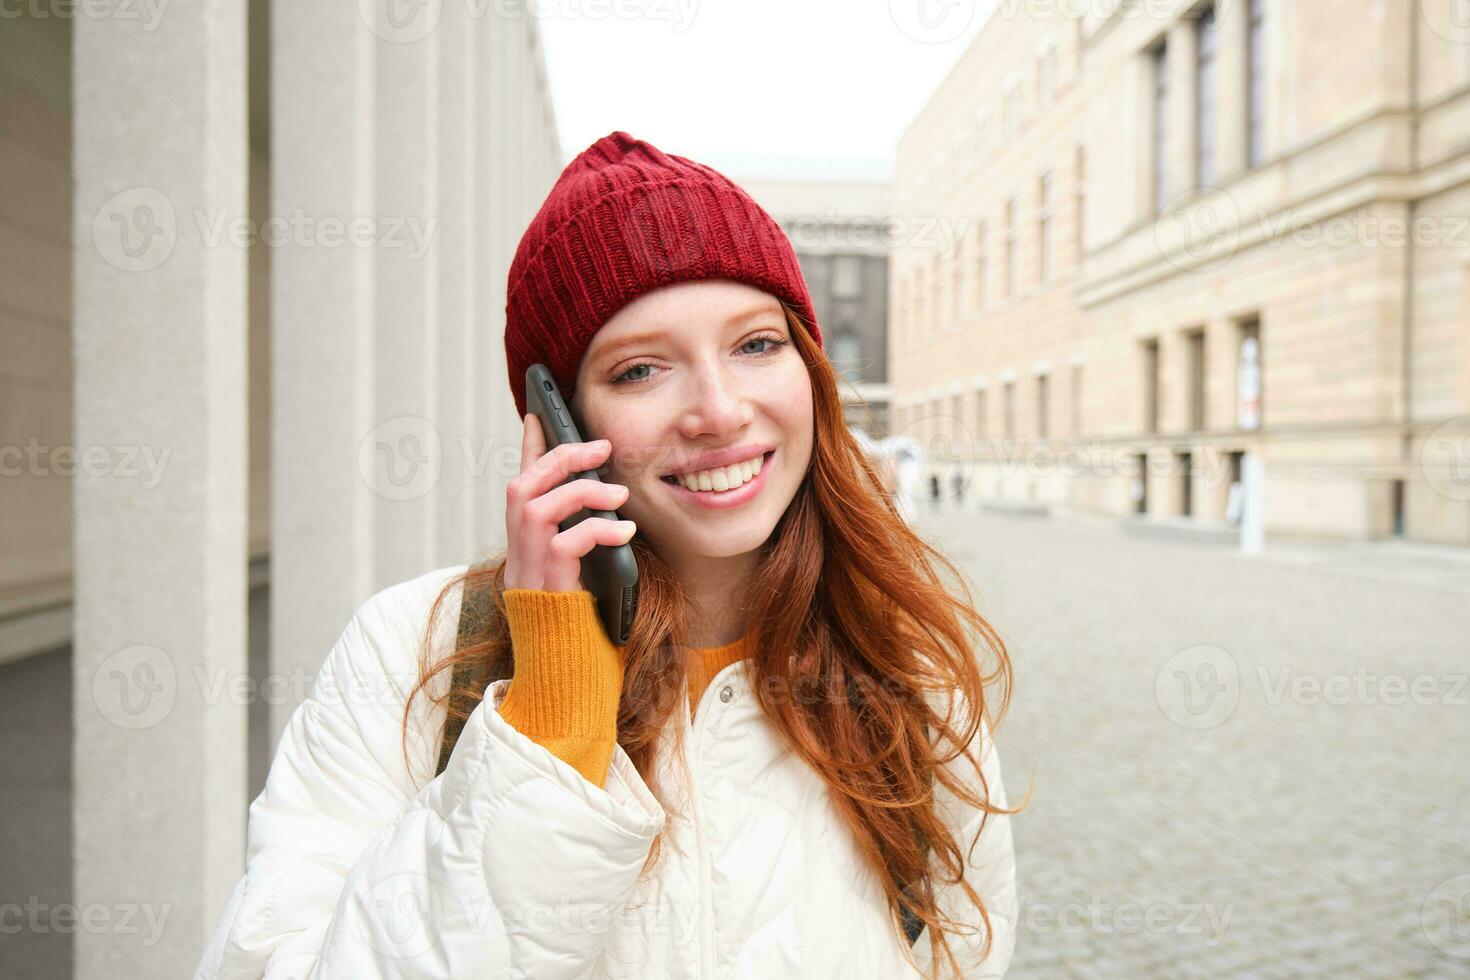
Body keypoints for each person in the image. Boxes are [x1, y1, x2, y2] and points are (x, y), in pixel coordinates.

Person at [194, 131, 1024, 980]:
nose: (719, 410)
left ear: (810, 368)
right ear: (556, 422)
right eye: (638, 371)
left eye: (755, 345)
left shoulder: (905, 660)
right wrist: (548, 724)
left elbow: (967, 951)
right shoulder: (415, 650)